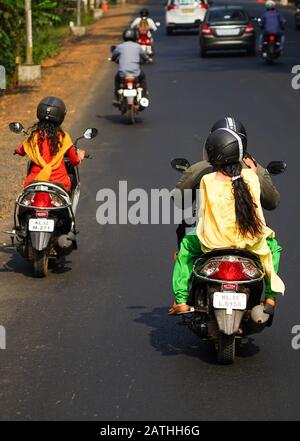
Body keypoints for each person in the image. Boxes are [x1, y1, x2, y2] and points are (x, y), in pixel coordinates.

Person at [169, 128, 285, 316]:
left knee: (185, 250)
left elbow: (203, 213)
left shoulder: (207, 179)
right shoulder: (250, 177)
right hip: (248, 241)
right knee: (273, 248)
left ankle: (181, 301)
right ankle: (271, 297)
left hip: (213, 242)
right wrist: (254, 171)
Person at [174, 117, 280, 247]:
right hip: (249, 240)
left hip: (209, 241)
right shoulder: (253, 172)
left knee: (184, 244)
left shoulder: (201, 171)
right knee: (273, 248)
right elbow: (272, 202)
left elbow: (179, 200)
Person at [15, 96, 85, 193]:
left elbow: (21, 150)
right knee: (72, 183)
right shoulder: (64, 138)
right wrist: (80, 156)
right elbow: (74, 161)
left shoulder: (33, 137)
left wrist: (17, 151)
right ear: (61, 117)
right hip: (59, 183)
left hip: (35, 181)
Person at [111, 29, 149, 106]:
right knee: (143, 78)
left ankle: (117, 98)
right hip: (136, 73)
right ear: (135, 37)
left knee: (117, 79)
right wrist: (146, 59)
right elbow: (145, 57)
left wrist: (113, 59)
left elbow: (113, 56)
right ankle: (144, 96)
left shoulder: (120, 47)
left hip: (123, 74)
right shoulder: (138, 47)